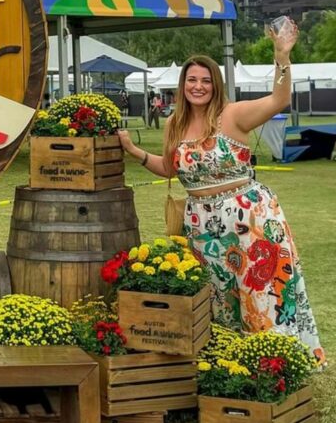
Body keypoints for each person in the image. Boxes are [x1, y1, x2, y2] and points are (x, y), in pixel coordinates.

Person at [118, 28, 324, 364]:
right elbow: (170, 169)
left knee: (262, 294)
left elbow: (279, 100)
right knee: (219, 296)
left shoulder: (233, 115)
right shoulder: (174, 123)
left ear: (215, 85)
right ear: (182, 85)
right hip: (203, 226)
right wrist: (133, 151)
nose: (198, 86)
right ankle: (229, 365)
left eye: (205, 80)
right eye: (191, 80)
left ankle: (276, 365)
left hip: (250, 221)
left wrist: (282, 56)